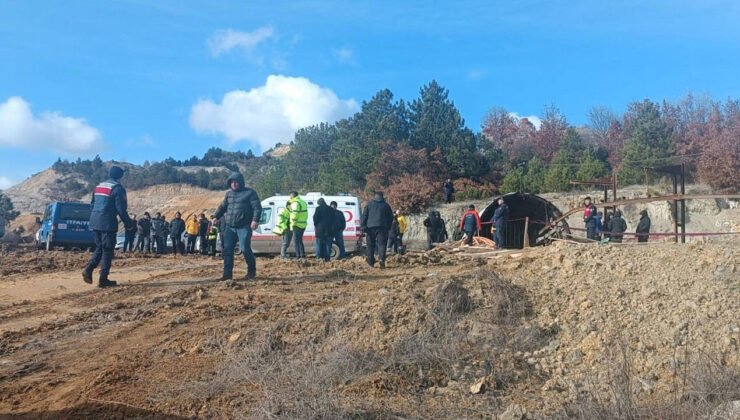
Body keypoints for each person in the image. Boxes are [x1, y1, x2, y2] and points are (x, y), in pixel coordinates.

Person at [82, 166, 135, 288]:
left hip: (95, 221)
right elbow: (121, 210)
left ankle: (89, 270)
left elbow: (92, 205)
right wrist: (129, 224)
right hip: (107, 222)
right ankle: (103, 278)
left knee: (100, 247)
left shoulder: (98, 186)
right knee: (108, 250)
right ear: (120, 176)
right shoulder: (118, 188)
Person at [213, 172, 262, 281]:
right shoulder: (228, 194)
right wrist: (216, 216)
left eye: (236, 182)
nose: (234, 184)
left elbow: (257, 208)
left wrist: (255, 220)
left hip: (244, 226)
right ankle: (227, 275)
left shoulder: (250, 193)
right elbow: (222, 207)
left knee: (245, 248)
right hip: (230, 227)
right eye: (232, 182)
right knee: (227, 250)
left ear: (241, 182)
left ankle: (251, 272)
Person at [361, 191, 394, 268]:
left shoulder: (369, 205)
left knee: (370, 246)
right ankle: (381, 259)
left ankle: (370, 263)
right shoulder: (386, 206)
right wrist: (388, 227)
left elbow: (364, 216)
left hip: (370, 228)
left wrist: (363, 227)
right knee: (382, 245)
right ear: (382, 197)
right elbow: (391, 218)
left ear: (374, 196)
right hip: (382, 228)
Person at [288, 191, 308, 259]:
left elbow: (294, 214)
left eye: (290, 195)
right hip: (303, 224)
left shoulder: (295, 203)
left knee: (296, 241)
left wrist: (292, 225)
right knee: (300, 241)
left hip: (296, 225)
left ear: (293, 195)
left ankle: (298, 255)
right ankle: (302, 254)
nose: (289, 196)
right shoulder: (302, 202)